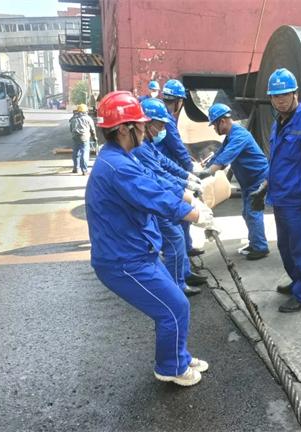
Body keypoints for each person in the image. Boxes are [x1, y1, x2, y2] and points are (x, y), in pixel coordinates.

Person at [85, 91, 213, 386]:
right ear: (123, 129)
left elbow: (154, 179)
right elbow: (154, 197)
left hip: (138, 251)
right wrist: (196, 215)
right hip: (123, 261)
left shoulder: (121, 157)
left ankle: (178, 356)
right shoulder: (118, 167)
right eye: (140, 125)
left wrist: (187, 195)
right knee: (174, 308)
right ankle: (170, 367)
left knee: (175, 303)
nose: (144, 129)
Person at [250, 68, 301, 313]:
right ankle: (298, 281)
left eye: (285, 94)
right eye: (275, 96)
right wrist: (265, 186)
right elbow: (277, 160)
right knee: (285, 248)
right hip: (280, 199)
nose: (280, 100)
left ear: (296, 94)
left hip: (298, 201)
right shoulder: (279, 123)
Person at [134, 97, 208, 296]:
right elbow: (159, 176)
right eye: (160, 125)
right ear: (147, 123)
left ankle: (183, 274)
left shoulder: (147, 143)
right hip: (156, 200)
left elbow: (165, 163)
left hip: (161, 195)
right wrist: (186, 188)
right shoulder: (140, 148)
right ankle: (176, 286)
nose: (162, 130)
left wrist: (188, 176)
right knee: (174, 239)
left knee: (178, 236)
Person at [200, 103, 269, 260]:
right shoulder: (231, 135)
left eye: (214, 125)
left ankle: (260, 247)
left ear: (222, 121)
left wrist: (208, 172)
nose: (214, 128)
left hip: (258, 179)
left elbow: (226, 157)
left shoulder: (239, 135)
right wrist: (206, 167)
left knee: (253, 213)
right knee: (247, 213)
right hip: (248, 180)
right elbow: (220, 153)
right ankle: (255, 243)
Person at [161, 79, 204, 259]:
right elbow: (177, 147)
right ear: (179, 101)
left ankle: (185, 247)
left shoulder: (162, 115)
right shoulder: (166, 119)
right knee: (179, 211)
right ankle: (181, 252)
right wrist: (190, 170)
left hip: (167, 168)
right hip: (167, 173)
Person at [69, 104, 97, 175]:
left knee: (76, 152)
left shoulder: (73, 118)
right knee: (84, 153)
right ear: (86, 111)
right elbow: (92, 129)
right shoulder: (88, 118)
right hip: (84, 138)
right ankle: (84, 170)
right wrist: (94, 137)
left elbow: (71, 129)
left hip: (75, 137)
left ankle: (75, 168)